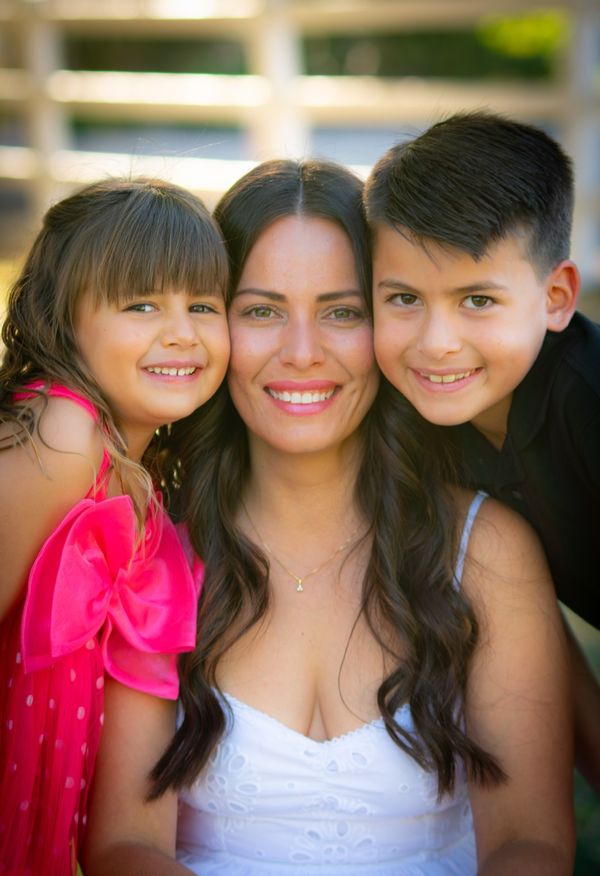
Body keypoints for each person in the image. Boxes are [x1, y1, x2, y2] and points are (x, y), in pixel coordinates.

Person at [82, 159, 574, 876]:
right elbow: (125, 845)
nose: (303, 352)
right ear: (215, 324)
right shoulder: (150, 554)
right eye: (262, 310)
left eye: (343, 312)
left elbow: (530, 843)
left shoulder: (488, 551)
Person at [364, 110, 600, 791]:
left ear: (555, 297)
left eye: (477, 299)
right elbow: (541, 626)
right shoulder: (421, 420)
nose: (437, 341)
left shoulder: (587, 406)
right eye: (404, 297)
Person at [0, 176, 230, 874]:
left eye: (202, 305)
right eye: (141, 304)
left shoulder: (135, 478)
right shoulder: (62, 433)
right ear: (64, 319)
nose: (181, 333)